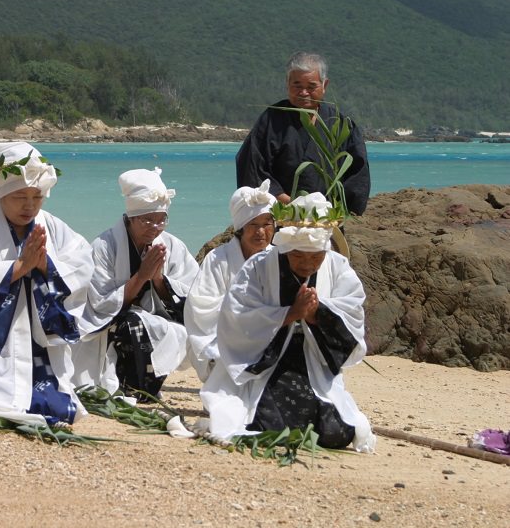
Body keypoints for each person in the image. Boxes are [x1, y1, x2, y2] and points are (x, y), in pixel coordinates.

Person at [200, 193, 375, 452]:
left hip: (314, 359)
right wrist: (289, 314)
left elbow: (352, 311)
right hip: (268, 362)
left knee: (337, 432)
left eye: (315, 257)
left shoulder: (338, 266)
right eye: (298, 257)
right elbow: (236, 315)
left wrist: (318, 314)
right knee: (268, 423)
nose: (307, 264)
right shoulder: (258, 267)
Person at [0, 142, 93, 426]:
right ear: (0, 194)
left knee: (53, 406)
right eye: (19, 196)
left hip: (39, 345)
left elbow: (82, 265)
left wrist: (47, 266)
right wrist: (17, 268)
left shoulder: (53, 227)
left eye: (37, 196)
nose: (29, 205)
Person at [74, 168, 198, 400]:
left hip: (157, 316)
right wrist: (141, 276)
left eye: (162, 220)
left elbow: (192, 295)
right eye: (147, 220)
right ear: (130, 219)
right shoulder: (104, 246)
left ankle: (146, 389)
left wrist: (158, 278)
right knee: (134, 323)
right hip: (111, 323)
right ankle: (132, 388)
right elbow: (100, 304)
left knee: (175, 330)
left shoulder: (172, 246)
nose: (155, 227)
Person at [235, 51, 371, 216]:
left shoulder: (340, 124)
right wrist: (289, 203)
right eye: (297, 86)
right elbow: (252, 166)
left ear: (324, 85)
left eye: (311, 86)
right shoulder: (271, 120)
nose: (304, 92)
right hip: (280, 212)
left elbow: (358, 172)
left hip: (326, 216)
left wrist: (334, 210)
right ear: (287, 84)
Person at [184, 180, 277, 382]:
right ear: (241, 228)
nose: (261, 232)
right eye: (253, 225)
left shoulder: (278, 259)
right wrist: (246, 319)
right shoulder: (218, 259)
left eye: (267, 224)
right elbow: (201, 306)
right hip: (223, 337)